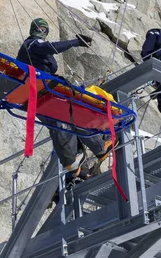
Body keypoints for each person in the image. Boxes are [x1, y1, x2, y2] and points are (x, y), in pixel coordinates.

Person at [16, 18, 115, 178]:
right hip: (42, 88)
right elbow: (50, 47)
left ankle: (73, 160)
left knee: (61, 124)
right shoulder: (33, 44)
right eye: (40, 29)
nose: (42, 32)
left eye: (44, 29)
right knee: (72, 114)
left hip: (34, 94)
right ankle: (96, 148)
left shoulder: (30, 50)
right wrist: (75, 42)